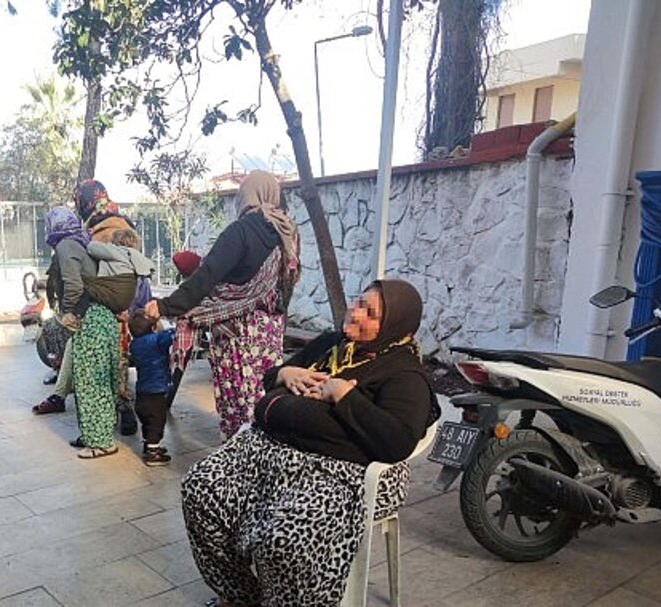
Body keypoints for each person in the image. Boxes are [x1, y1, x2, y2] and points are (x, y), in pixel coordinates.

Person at [181, 279, 438, 607]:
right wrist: (285, 375)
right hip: (273, 451)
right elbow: (274, 378)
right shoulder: (332, 344)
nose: (355, 312)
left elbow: (397, 440)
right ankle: (240, 596)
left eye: (370, 313)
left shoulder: (404, 375)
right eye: (358, 302)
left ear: (395, 326)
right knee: (201, 488)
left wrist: (343, 396)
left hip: (341, 473)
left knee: (285, 538)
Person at [145, 170, 300, 439]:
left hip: (236, 331)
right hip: (269, 330)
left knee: (238, 399)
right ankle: (264, 450)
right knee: (264, 394)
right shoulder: (289, 232)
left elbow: (207, 275)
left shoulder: (241, 231)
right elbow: (287, 284)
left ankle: (237, 453)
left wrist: (167, 306)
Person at [74, 179, 139, 436]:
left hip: (104, 306)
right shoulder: (125, 225)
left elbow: (91, 273)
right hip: (129, 301)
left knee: (103, 362)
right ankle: (125, 407)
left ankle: (107, 414)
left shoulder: (96, 232)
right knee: (121, 357)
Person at [32, 207, 95, 416]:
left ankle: (62, 384)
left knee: (52, 328)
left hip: (86, 309)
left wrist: (67, 312)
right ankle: (59, 395)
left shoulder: (65, 245)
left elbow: (74, 285)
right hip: (91, 305)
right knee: (70, 347)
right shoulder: (80, 241)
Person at [128, 310, 174, 466]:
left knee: (147, 422)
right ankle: (152, 453)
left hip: (142, 392)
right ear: (153, 326)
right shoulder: (157, 340)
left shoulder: (134, 344)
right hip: (156, 392)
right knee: (157, 422)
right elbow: (171, 335)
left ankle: (149, 445)